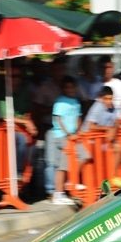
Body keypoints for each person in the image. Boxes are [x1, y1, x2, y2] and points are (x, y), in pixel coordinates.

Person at [45, 76, 82, 205]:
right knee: (65, 164)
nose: (70, 89)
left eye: (72, 87)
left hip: (72, 136)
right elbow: (58, 120)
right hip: (61, 135)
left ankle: (67, 185)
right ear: (63, 89)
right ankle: (61, 190)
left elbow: (78, 118)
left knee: (76, 159)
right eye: (67, 87)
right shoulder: (60, 102)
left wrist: (77, 132)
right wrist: (68, 134)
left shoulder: (76, 102)